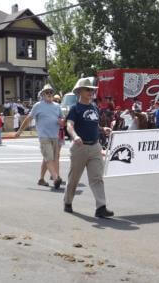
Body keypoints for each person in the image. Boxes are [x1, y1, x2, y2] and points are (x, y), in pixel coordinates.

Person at [64, 78, 114, 218]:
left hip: (95, 146)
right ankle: (68, 202)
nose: (91, 92)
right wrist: (75, 136)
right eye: (88, 89)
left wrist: (102, 129)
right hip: (80, 147)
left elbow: (93, 125)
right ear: (79, 91)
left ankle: (101, 207)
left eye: (92, 90)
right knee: (74, 178)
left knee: (97, 178)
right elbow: (69, 125)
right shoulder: (75, 109)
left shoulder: (94, 108)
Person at [16, 84, 64, 189]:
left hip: (54, 136)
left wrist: (62, 122)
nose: (49, 94)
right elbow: (29, 119)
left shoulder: (57, 106)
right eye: (47, 92)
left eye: (51, 92)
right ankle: (56, 178)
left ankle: (41, 179)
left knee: (48, 158)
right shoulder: (38, 105)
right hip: (44, 136)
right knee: (49, 158)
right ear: (42, 94)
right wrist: (20, 131)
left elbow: (62, 120)